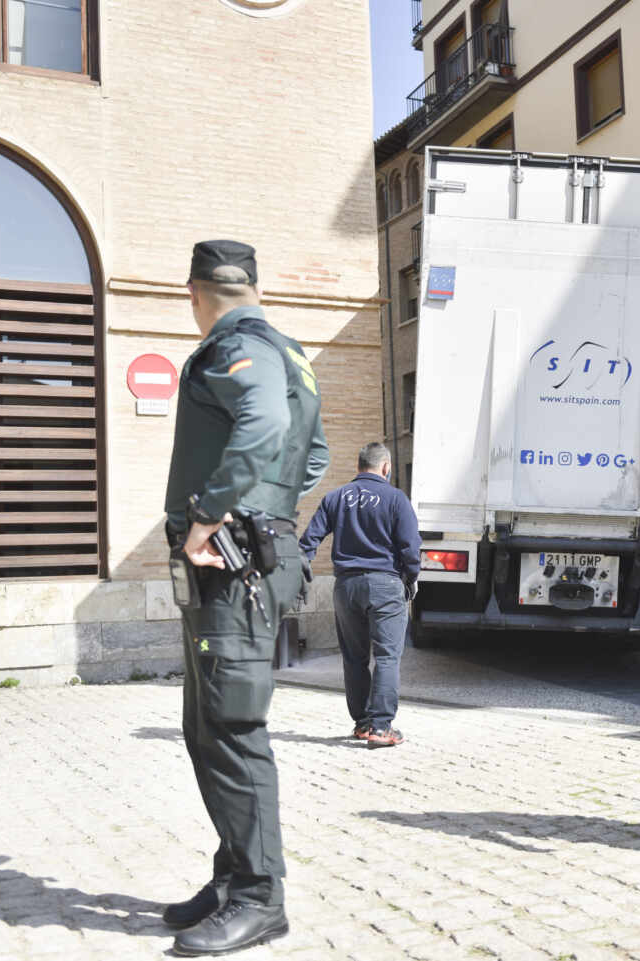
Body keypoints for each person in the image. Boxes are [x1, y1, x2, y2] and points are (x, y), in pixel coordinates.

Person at [162, 240, 329, 955]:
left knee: (230, 729)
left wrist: (213, 513)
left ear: (198, 292)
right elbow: (311, 452)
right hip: (246, 565)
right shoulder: (292, 353)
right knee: (208, 726)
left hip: (232, 570)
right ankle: (234, 873)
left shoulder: (240, 345)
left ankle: (262, 898)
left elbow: (264, 425)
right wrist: (272, 508)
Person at [300, 442, 420, 748]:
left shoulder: (335, 497)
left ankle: (362, 724)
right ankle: (381, 727)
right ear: (386, 467)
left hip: (346, 587)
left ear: (358, 466)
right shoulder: (396, 499)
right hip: (385, 586)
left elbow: (308, 541)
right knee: (387, 656)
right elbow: (409, 547)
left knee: (354, 658)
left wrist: (299, 573)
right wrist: (412, 577)